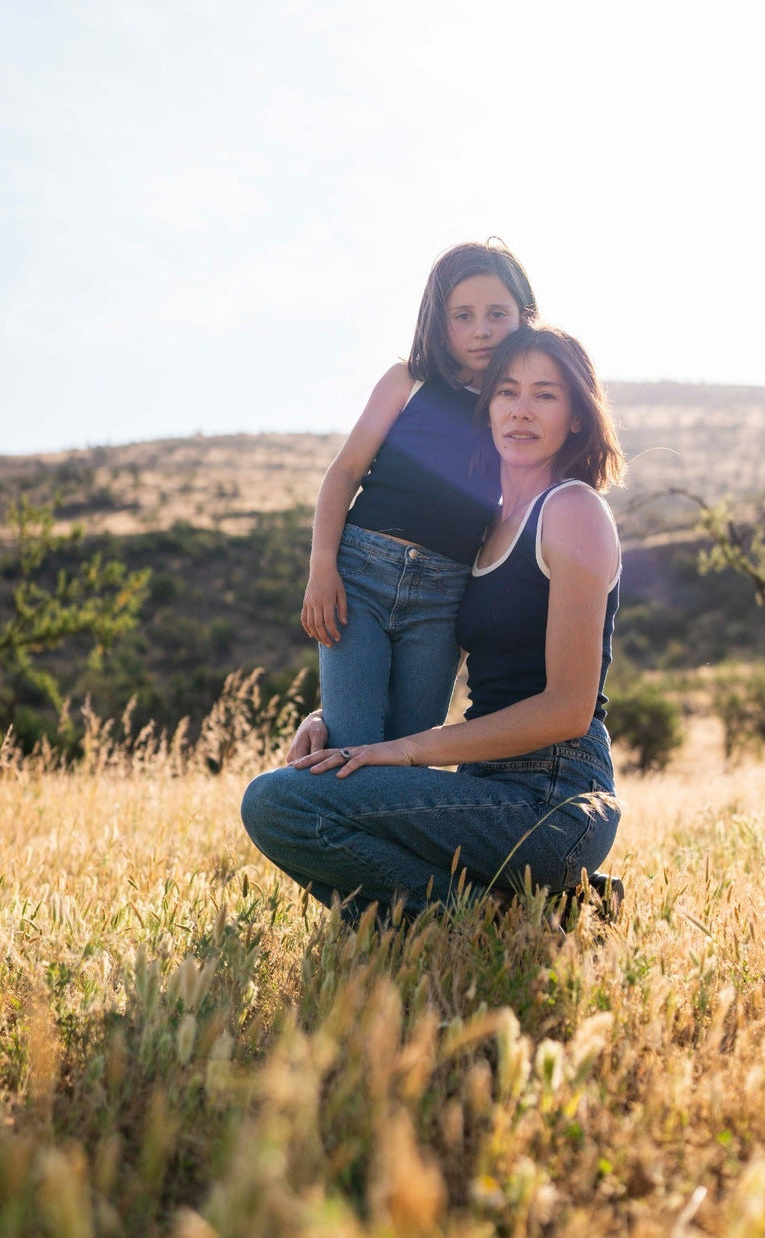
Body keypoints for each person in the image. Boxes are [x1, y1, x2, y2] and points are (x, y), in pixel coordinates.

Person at [242, 325, 627, 924]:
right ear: (487, 407)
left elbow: (568, 709)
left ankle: (484, 921)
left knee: (276, 802)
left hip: (552, 799)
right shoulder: (487, 528)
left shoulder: (572, 511)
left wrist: (404, 752)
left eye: (545, 395)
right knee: (295, 793)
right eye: (506, 392)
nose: (521, 411)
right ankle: (525, 913)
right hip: (481, 792)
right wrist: (332, 718)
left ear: (577, 416)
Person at [301, 240, 537, 750]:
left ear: (524, 316)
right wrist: (322, 567)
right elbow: (342, 475)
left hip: (443, 598)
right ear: (439, 320)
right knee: (350, 746)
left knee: (407, 752)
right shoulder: (407, 381)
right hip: (358, 579)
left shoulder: (518, 408)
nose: (482, 329)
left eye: (497, 313)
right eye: (464, 315)